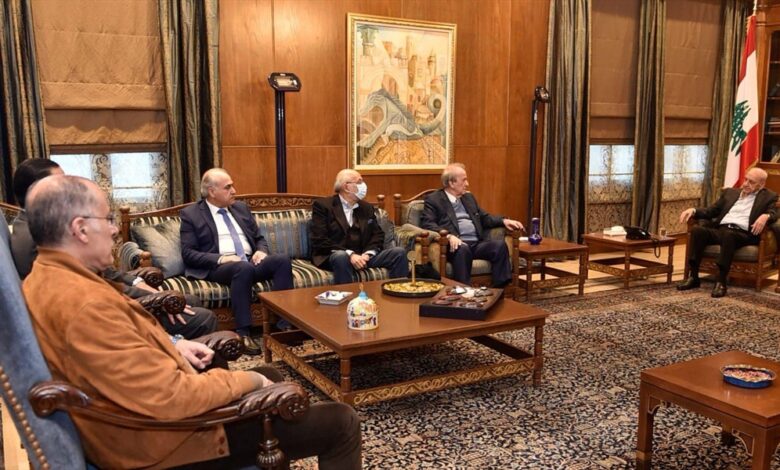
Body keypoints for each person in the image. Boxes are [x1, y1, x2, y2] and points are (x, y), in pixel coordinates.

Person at [22, 174, 361, 469]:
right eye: (108, 218)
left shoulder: (48, 277)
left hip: (147, 417)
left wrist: (174, 346)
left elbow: (121, 358)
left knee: (271, 377)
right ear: (80, 229)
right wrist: (248, 380)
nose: (114, 230)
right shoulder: (84, 305)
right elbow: (171, 398)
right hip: (164, 443)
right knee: (341, 420)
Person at [9, 158, 218, 339]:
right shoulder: (39, 238)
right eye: (61, 182)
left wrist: (142, 286)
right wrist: (156, 301)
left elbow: (102, 275)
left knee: (190, 301)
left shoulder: (35, 225)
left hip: (112, 299)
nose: (115, 230)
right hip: (109, 314)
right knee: (203, 317)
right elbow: (95, 286)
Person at [180, 168, 294, 354]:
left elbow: (259, 238)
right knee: (242, 268)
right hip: (219, 266)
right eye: (228, 187)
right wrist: (222, 258)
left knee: (281, 260)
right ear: (212, 191)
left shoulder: (240, 208)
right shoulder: (191, 214)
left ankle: (285, 325)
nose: (234, 191)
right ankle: (243, 332)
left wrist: (261, 251)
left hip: (248, 262)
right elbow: (188, 253)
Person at [677, 167, 778, 298]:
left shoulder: (769, 197)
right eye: (746, 179)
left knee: (729, 235)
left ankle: (721, 281)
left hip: (743, 234)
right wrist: (694, 210)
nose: (746, 184)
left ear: (761, 184)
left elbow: (775, 213)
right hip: (722, 230)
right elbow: (711, 211)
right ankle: (693, 277)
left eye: (751, 182)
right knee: (698, 231)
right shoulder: (730, 193)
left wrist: (766, 216)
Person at [421, 163, 523, 287]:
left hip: (475, 244)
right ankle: (463, 290)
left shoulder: (468, 197)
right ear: (451, 183)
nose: (467, 184)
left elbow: (484, 218)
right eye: (464, 180)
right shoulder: (434, 199)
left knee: (499, 246)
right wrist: (449, 236)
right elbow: (427, 223)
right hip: (455, 246)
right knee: (463, 249)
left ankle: (499, 289)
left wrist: (504, 221)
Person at [311, 169, 409, 284]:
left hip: (363, 256)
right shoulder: (323, 206)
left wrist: (368, 253)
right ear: (346, 187)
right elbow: (320, 239)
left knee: (399, 253)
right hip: (336, 255)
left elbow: (377, 234)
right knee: (341, 257)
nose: (363, 185)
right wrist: (350, 254)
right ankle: (348, 295)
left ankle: (396, 292)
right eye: (359, 182)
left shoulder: (366, 207)